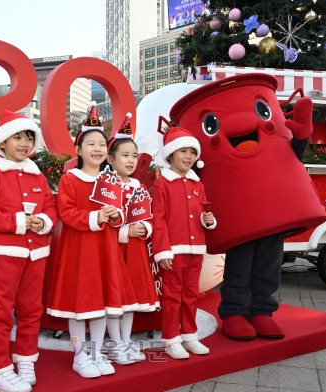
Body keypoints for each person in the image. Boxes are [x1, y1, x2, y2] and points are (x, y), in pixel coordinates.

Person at [46, 102, 138, 378]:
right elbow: (66, 212)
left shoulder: (111, 181)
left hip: (105, 250)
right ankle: (79, 355)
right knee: (79, 307)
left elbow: (122, 215)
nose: (97, 148)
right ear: (79, 150)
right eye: (91, 144)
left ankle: (96, 353)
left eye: (101, 144)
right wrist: (96, 217)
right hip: (79, 251)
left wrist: (114, 216)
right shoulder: (70, 180)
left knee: (102, 305)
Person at [0, 110, 57, 392]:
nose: (24, 143)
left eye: (29, 137)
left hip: (36, 254)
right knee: (1, 312)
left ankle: (26, 359)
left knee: (32, 309)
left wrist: (43, 222)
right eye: (17, 136)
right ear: (3, 142)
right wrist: (19, 222)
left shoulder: (38, 176)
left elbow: (51, 210)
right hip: (5, 253)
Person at [152, 125, 215, 360]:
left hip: (195, 249)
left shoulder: (198, 185)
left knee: (191, 295)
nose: (188, 156)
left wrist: (208, 220)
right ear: (170, 155)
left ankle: (189, 335)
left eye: (192, 152)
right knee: (172, 296)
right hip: (173, 251)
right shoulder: (162, 184)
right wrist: (163, 250)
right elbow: (158, 220)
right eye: (183, 151)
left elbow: (201, 216)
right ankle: (171, 338)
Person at [105, 113, 159, 365]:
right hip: (113, 250)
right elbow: (103, 222)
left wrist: (144, 229)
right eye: (124, 155)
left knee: (131, 300)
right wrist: (125, 232)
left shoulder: (138, 186)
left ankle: (126, 341)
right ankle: (115, 343)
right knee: (115, 299)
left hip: (135, 252)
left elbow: (148, 216)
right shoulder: (105, 185)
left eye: (134, 156)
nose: (130, 160)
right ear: (111, 158)